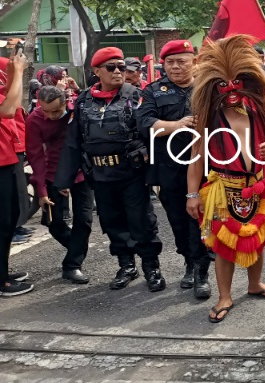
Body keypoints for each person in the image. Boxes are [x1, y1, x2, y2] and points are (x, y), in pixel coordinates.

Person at [186, 35, 265, 323]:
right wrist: (192, 195)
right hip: (222, 188)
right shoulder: (209, 117)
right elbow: (196, 159)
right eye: (224, 87)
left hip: (258, 184)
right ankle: (224, 296)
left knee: (258, 238)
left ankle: (254, 284)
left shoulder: (258, 110)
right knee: (224, 246)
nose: (232, 93)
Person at [54, 47, 166, 292]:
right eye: (111, 67)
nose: (118, 72)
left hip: (132, 173)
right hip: (100, 175)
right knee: (112, 222)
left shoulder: (137, 95)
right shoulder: (83, 102)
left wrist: (155, 172)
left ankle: (151, 266)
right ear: (96, 71)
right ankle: (126, 265)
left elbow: (152, 134)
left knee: (142, 221)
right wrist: (63, 180)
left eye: (121, 67)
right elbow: (73, 142)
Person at [139, 40, 212, 300]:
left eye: (181, 61)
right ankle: (189, 262)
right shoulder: (154, 91)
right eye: (170, 62)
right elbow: (144, 123)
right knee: (178, 220)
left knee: (201, 218)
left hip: (206, 166)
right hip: (169, 168)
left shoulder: (208, 87)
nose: (175, 67)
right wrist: (176, 124)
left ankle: (202, 271)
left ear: (194, 62)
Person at [26, 86, 94, 283]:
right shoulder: (35, 120)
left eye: (56, 111)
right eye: (45, 110)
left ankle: (72, 265)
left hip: (80, 172)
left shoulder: (77, 112)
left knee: (85, 219)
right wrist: (41, 191)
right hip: (51, 174)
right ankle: (78, 247)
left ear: (65, 103)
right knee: (54, 223)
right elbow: (35, 156)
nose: (51, 116)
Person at [0, 52, 33, 296]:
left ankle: (3, 271)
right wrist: (19, 71)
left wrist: (13, 73)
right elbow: (8, 109)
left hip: (7, 157)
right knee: (2, 222)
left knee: (9, 220)